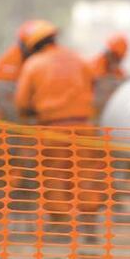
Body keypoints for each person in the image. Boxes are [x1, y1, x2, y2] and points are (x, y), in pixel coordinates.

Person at [13, 20, 107, 225]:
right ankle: (88, 223)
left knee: (54, 176)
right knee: (87, 175)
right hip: (83, 128)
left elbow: (21, 102)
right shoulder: (77, 58)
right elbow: (93, 83)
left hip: (52, 131)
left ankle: (63, 226)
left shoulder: (34, 64)